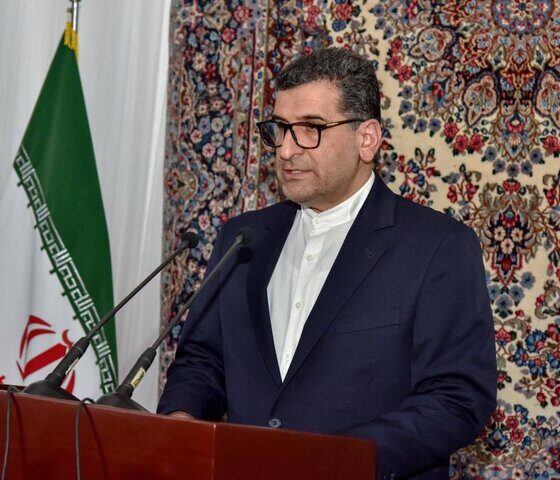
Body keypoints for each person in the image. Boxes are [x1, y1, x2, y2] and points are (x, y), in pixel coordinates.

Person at [157, 47, 497, 479]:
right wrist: (182, 417)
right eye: (280, 128)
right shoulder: (241, 239)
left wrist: (332, 461)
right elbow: (202, 361)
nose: (286, 150)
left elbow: (457, 398)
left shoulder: (437, 246)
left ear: (367, 139)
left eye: (310, 129)